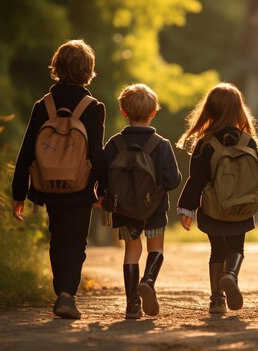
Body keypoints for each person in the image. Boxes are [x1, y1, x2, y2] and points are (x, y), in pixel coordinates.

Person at [11, 39, 106, 319]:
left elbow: (28, 149)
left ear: (57, 67)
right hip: (80, 186)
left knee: (57, 239)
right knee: (76, 242)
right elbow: (96, 152)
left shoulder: (44, 105)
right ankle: (67, 295)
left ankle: (60, 291)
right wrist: (104, 189)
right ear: (88, 70)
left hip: (48, 185)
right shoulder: (93, 107)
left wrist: (19, 192)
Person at [177, 83, 258, 314]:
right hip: (242, 207)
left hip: (213, 209)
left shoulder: (205, 143)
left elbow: (196, 179)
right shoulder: (247, 141)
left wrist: (185, 208)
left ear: (209, 111)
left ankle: (216, 299)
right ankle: (231, 274)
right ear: (239, 110)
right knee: (237, 246)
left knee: (216, 250)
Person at [102, 84, 181, 319]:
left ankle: (131, 305)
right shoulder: (162, 144)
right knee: (155, 247)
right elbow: (173, 180)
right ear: (153, 112)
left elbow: (103, 174)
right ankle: (148, 280)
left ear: (124, 112)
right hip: (154, 208)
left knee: (132, 251)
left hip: (124, 209)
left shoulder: (115, 144)